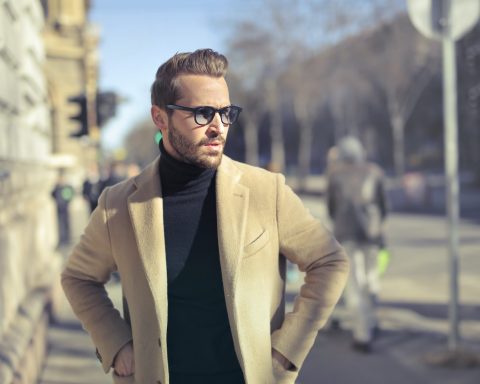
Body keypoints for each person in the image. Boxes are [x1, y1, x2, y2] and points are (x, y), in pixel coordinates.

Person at [61, 49, 349, 384]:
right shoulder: (119, 204)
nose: (219, 127)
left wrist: (288, 348)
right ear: (160, 118)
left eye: (226, 113)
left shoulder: (266, 191)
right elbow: (78, 279)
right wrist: (115, 343)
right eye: (203, 113)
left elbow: (329, 261)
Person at [326, 136, 388, 353]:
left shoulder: (335, 176)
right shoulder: (375, 172)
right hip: (373, 235)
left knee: (354, 284)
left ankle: (362, 335)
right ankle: (372, 322)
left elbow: (331, 208)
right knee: (371, 280)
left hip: (346, 235)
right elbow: (383, 206)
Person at [51, 171, 74, 246]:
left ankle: (67, 239)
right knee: (60, 224)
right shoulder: (57, 186)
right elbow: (52, 194)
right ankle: (62, 240)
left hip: (65, 207)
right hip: (59, 207)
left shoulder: (67, 186)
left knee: (66, 223)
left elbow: (71, 194)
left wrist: (68, 201)